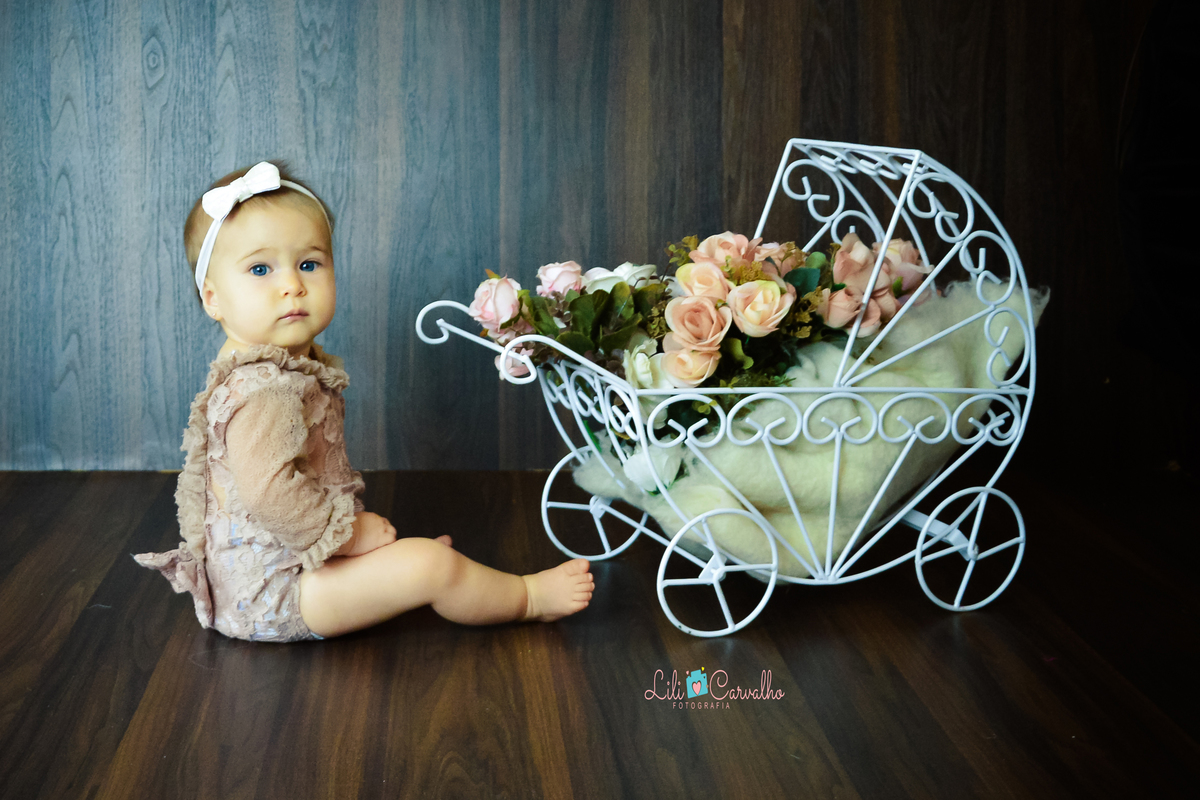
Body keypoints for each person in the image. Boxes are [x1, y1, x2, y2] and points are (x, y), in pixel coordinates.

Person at [134, 160, 593, 642]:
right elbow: (270, 495)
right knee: (432, 566)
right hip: (277, 593)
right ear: (213, 298)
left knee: (407, 560)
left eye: (309, 264)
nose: (292, 284)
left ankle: (403, 579)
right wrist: (349, 536)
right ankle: (527, 598)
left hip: (288, 566)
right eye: (260, 269)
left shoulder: (273, 367)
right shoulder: (263, 390)